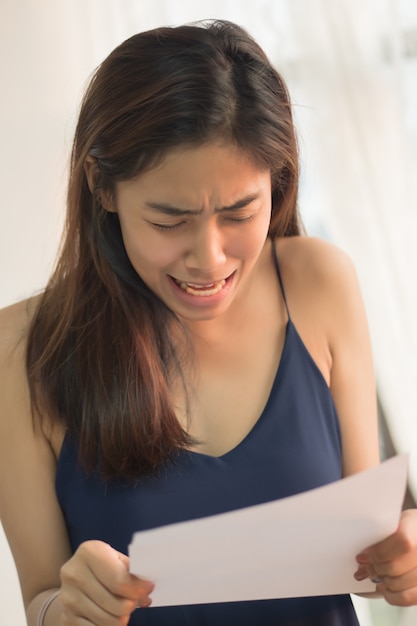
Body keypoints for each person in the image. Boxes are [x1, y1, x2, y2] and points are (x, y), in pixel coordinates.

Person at [0, 19, 416, 626]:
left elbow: (370, 543)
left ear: (276, 184)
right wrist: (65, 608)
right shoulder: (20, 351)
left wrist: (402, 557)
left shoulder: (320, 282)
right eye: (169, 221)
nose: (210, 259)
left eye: (239, 212)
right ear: (103, 188)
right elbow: (39, 597)